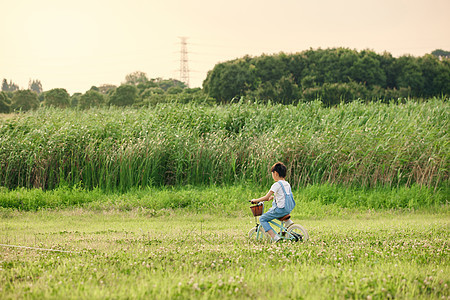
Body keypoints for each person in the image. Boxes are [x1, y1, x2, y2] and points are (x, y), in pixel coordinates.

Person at [251, 162, 295, 243]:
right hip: (288, 208)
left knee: (262, 218)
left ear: (275, 173)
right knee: (274, 212)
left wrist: (255, 200)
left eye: (272, 173)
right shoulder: (287, 184)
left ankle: (274, 237)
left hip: (280, 210)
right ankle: (288, 222)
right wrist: (272, 197)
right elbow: (283, 195)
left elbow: (266, 197)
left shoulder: (277, 184)